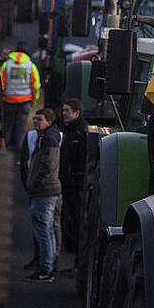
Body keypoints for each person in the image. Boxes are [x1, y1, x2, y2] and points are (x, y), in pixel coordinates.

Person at [24, 108, 61, 282]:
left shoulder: (48, 138)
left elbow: (47, 165)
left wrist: (33, 183)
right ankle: (48, 266)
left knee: (44, 231)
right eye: (35, 118)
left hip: (44, 190)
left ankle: (46, 269)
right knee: (47, 230)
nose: (35, 122)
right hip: (47, 189)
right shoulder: (46, 136)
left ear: (49, 121)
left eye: (40, 119)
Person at [58, 99, 87, 258]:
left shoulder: (81, 132)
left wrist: (76, 174)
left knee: (75, 216)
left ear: (77, 113)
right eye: (63, 110)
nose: (64, 114)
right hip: (66, 181)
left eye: (67, 111)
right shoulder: (65, 129)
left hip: (75, 183)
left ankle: (75, 250)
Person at [0, 42, 41, 152]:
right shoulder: (30, 65)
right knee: (21, 127)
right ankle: (19, 151)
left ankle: (3, 149)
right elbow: (35, 86)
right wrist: (34, 100)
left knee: (7, 126)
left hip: (9, 100)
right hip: (25, 101)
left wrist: (1, 96)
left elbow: (0, 84)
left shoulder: (6, 64)